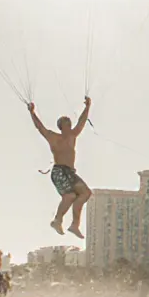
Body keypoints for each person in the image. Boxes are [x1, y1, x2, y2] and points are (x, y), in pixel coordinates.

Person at [29, 97, 93, 238]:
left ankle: (74, 225)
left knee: (86, 193)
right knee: (69, 196)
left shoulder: (72, 136)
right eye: (66, 123)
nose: (70, 125)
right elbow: (40, 128)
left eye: (70, 122)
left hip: (70, 172)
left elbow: (81, 123)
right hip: (59, 171)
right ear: (61, 126)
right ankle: (57, 220)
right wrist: (32, 112)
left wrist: (87, 107)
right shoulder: (53, 137)